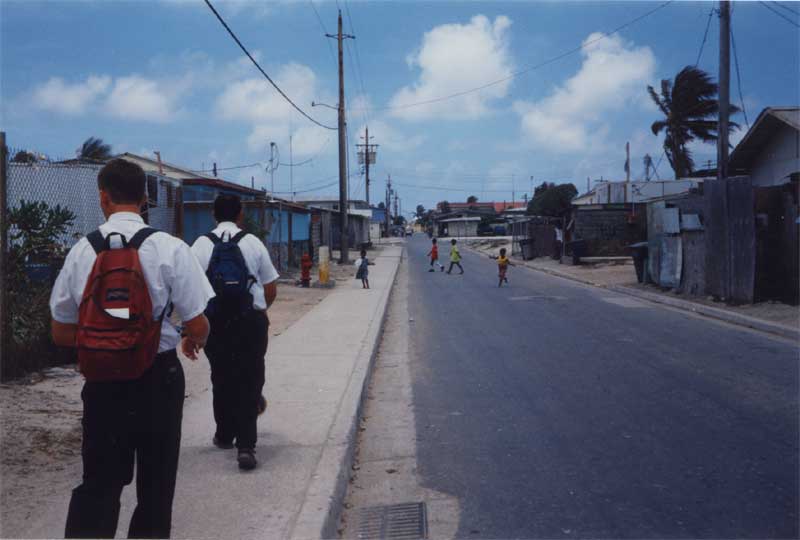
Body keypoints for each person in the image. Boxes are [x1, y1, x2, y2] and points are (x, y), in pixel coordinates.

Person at [49, 159, 214, 539]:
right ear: (144, 199)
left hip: (103, 384)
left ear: (103, 197)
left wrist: (103, 342)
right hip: (158, 378)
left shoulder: (81, 251)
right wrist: (191, 337)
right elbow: (200, 324)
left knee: (100, 484)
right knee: (156, 489)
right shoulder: (170, 248)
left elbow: (60, 332)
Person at [190, 194, 278, 471]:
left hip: (215, 323)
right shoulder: (253, 242)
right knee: (250, 379)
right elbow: (270, 288)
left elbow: (191, 291)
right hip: (250, 321)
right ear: (240, 214)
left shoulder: (201, 245)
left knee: (221, 376)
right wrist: (259, 309)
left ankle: (224, 434)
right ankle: (246, 446)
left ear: (213, 215)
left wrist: (192, 331)